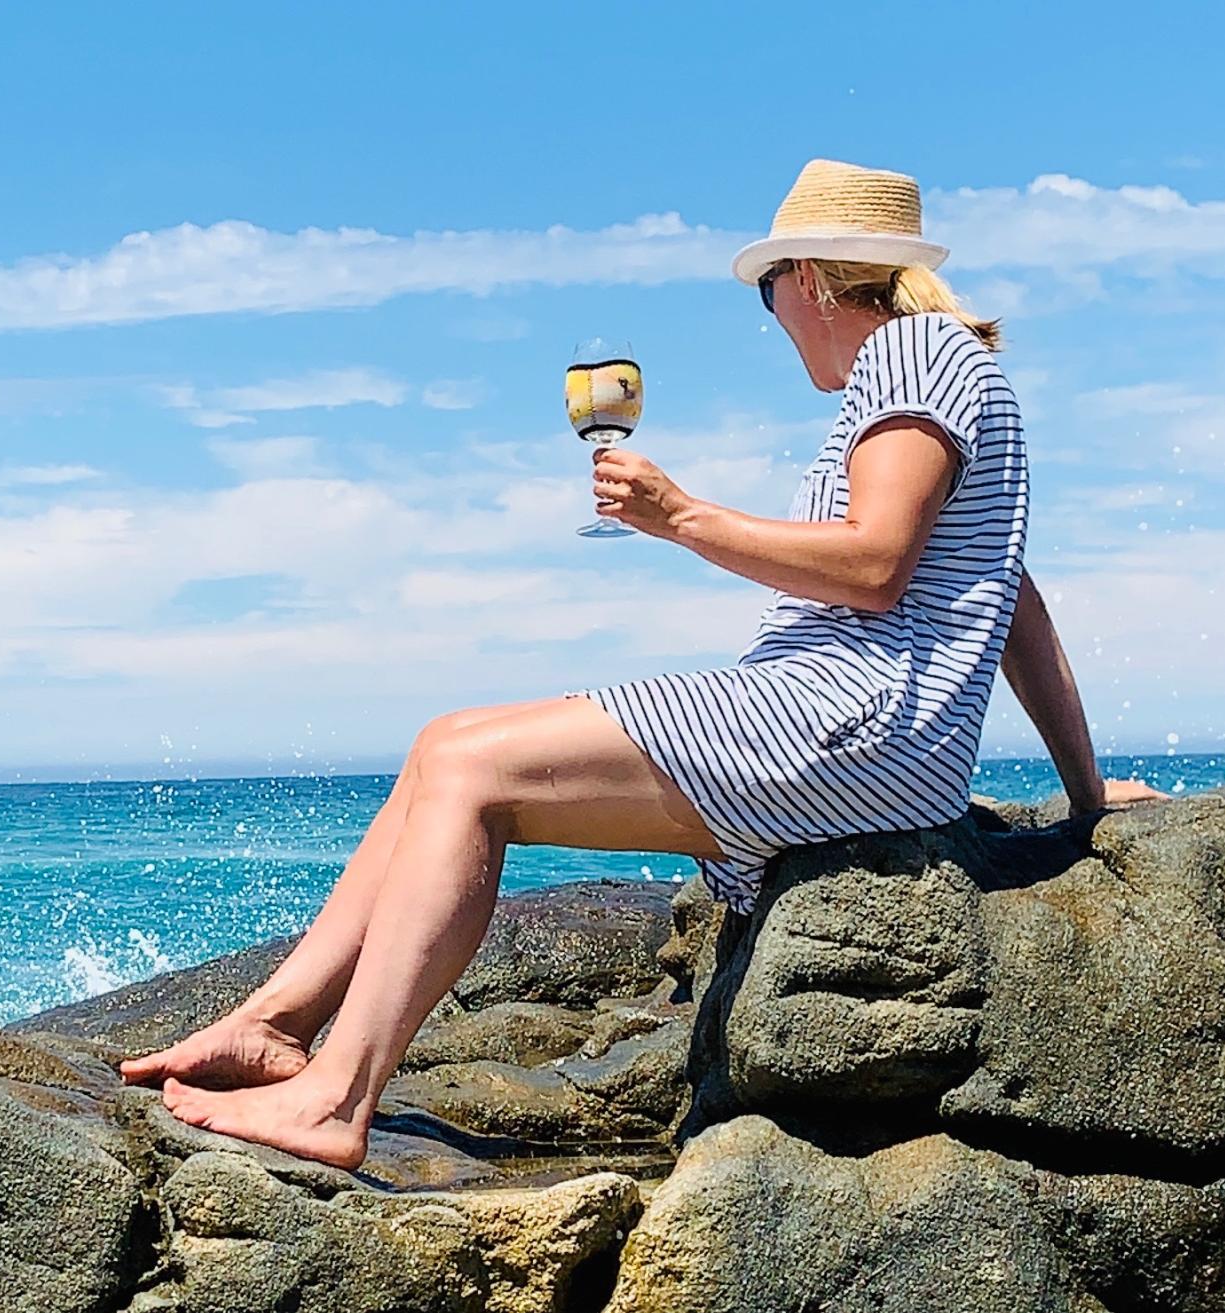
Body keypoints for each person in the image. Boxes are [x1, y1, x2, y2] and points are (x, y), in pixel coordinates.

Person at [121, 158, 1167, 1168]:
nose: (772, 319)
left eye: (767, 293)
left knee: (473, 774)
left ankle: (337, 1095)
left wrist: (682, 516)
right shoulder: (961, 376)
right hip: (884, 735)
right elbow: (1013, 605)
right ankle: (276, 1020)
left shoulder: (909, 357)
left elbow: (876, 565)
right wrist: (1083, 797)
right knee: (442, 745)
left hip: (847, 714)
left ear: (804, 279)